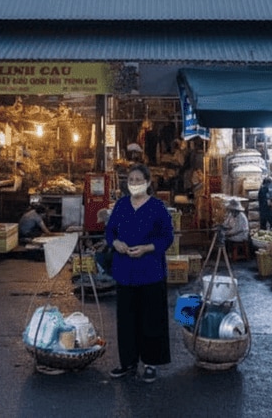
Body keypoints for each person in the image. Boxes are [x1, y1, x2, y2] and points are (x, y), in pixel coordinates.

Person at [104, 164, 173, 383]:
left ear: (148, 182)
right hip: (125, 272)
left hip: (150, 271)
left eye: (138, 180)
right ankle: (128, 363)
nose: (134, 183)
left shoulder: (157, 208)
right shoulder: (122, 205)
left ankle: (151, 363)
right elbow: (110, 230)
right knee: (126, 320)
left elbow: (167, 237)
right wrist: (115, 243)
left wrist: (146, 248)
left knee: (151, 319)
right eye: (131, 180)